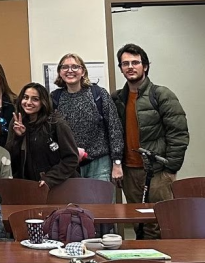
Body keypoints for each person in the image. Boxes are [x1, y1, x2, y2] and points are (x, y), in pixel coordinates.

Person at [111, 43, 188, 240]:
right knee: (138, 224)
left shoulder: (162, 94)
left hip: (157, 172)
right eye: (125, 63)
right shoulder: (117, 98)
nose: (130, 67)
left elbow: (178, 133)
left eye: (135, 62)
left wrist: (170, 167)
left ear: (145, 66)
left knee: (160, 224)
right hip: (130, 171)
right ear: (120, 68)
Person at [51, 53, 124, 187]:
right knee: (73, 207)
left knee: (101, 206)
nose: (70, 70)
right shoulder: (54, 98)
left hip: (99, 164)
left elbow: (114, 129)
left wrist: (117, 162)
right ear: (60, 72)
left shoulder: (98, 94)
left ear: (83, 71)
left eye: (75, 67)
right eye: (65, 67)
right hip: (68, 165)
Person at [5, 83, 79, 189]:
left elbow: (71, 159)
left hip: (59, 186)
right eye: (25, 97)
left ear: (43, 102)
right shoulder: (16, 122)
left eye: (35, 99)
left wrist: (49, 179)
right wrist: (19, 137)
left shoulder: (56, 123)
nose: (28, 102)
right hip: (30, 186)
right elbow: (11, 160)